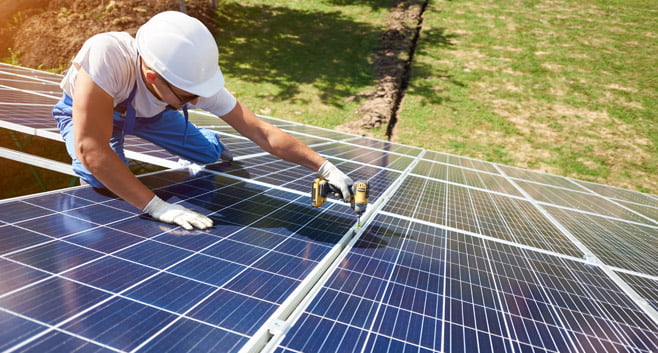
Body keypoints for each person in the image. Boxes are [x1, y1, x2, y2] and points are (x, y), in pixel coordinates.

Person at [52, 11, 353, 230]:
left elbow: (262, 133)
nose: (196, 102)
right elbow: (92, 148)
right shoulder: (107, 55)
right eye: (187, 98)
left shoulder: (188, 82)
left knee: (210, 155)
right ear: (152, 77)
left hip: (153, 114)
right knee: (96, 174)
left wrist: (326, 168)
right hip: (94, 115)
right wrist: (157, 207)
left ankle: (207, 139)